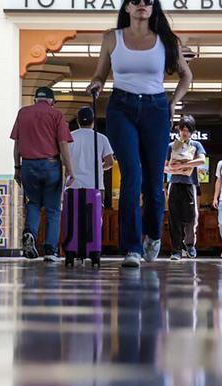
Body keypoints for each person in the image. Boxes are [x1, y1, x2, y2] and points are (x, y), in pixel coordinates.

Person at [87, 0, 193, 269]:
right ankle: (132, 247)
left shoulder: (166, 40)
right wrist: (96, 84)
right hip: (121, 107)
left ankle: (154, 234)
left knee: (154, 183)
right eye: (136, 1)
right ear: (127, 7)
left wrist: (172, 102)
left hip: (156, 109)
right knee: (131, 178)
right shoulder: (111, 38)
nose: (142, 4)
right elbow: (100, 74)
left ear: (153, 7)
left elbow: (186, 76)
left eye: (148, 1)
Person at [10, 86, 76, 262]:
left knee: (33, 204)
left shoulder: (23, 113)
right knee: (53, 209)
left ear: (35, 100)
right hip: (50, 165)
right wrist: (70, 169)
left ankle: (30, 234)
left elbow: (17, 144)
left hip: (27, 165)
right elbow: (63, 143)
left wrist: (17, 168)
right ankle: (50, 250)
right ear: (51, 101)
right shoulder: (56, 115)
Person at [164, 115, 206, 260]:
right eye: (182, 130)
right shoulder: (171, 146)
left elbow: (201, 160)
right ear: (179, 130)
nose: (184, 133)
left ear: (192, 132)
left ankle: (189, 244)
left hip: (190, 184)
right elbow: (164, 166)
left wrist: (184, 165)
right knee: (174, 217)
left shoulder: (196, 145)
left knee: (191, 217)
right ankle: (176, 250)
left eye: (187, 130)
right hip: (174, 183)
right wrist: (173, 169)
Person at [69, 106, 115, 191]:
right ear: (93, 121)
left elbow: (63, 159)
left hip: (73, 185)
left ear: (78, 121)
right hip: (95, 186)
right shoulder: (101, 138)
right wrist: (99, 167)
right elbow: (110, 162)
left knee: (74, 201)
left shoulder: (69, 137)